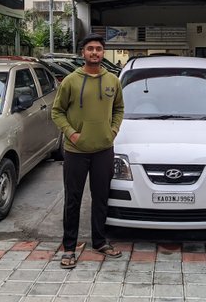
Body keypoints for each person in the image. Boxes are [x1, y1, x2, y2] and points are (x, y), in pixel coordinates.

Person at [51, 33, 125, 269]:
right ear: (83, 52)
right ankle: (69, 247)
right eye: (90, 48)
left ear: (103, 53)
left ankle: (100, 242)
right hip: (75, 150)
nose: (95, 52)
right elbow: (57, 112)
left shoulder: (113, 80)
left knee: (101, 198)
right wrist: (71, 133)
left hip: (104, 149)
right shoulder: (71, 81)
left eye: (99, 49)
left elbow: (119, 109)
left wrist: (112, 131)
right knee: (72, 200)